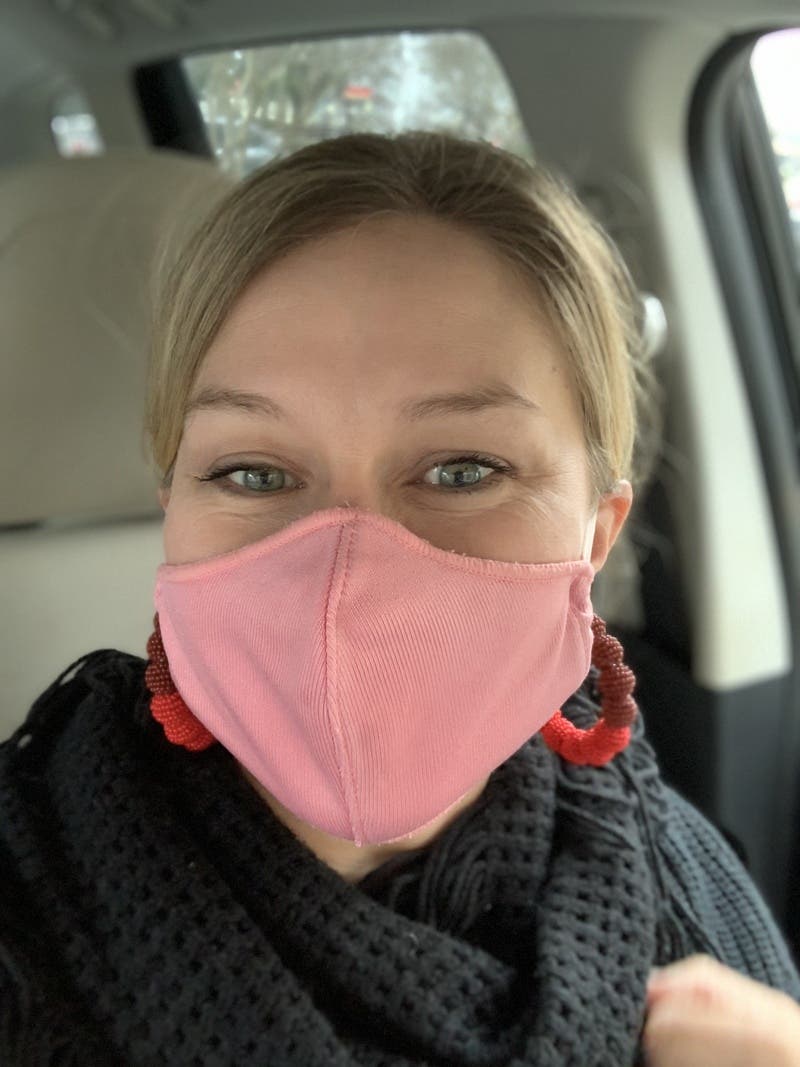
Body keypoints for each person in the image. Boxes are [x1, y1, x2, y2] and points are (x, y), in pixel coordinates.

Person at [0, 130, 798, 1066]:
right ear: (173, 510)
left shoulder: (679, 876)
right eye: (254, 472)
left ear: (596, 533)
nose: (350, 577)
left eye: (463, 468)